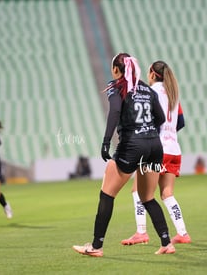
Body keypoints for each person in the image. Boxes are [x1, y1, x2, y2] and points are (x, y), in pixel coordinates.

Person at [72, 53, 174, 257]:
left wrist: (106, 141)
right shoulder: (147, 88)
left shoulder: (117, 86)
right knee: (147, 198)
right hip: (154, 146)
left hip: (131, 146)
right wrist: (146, 131)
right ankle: (166, 242)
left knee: (106, 194)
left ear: (116, 70)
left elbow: (115, 112)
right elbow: (161, 117)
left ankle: (96, 246)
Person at [121, 61, 191, 246]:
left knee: (138, 190)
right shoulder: (173, 94)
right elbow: (180, 122)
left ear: (152, 73)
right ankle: (182, 233)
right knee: (167, 193)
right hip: (174, 150)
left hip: (155, 149)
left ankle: (141, 232)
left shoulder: (150, 93)